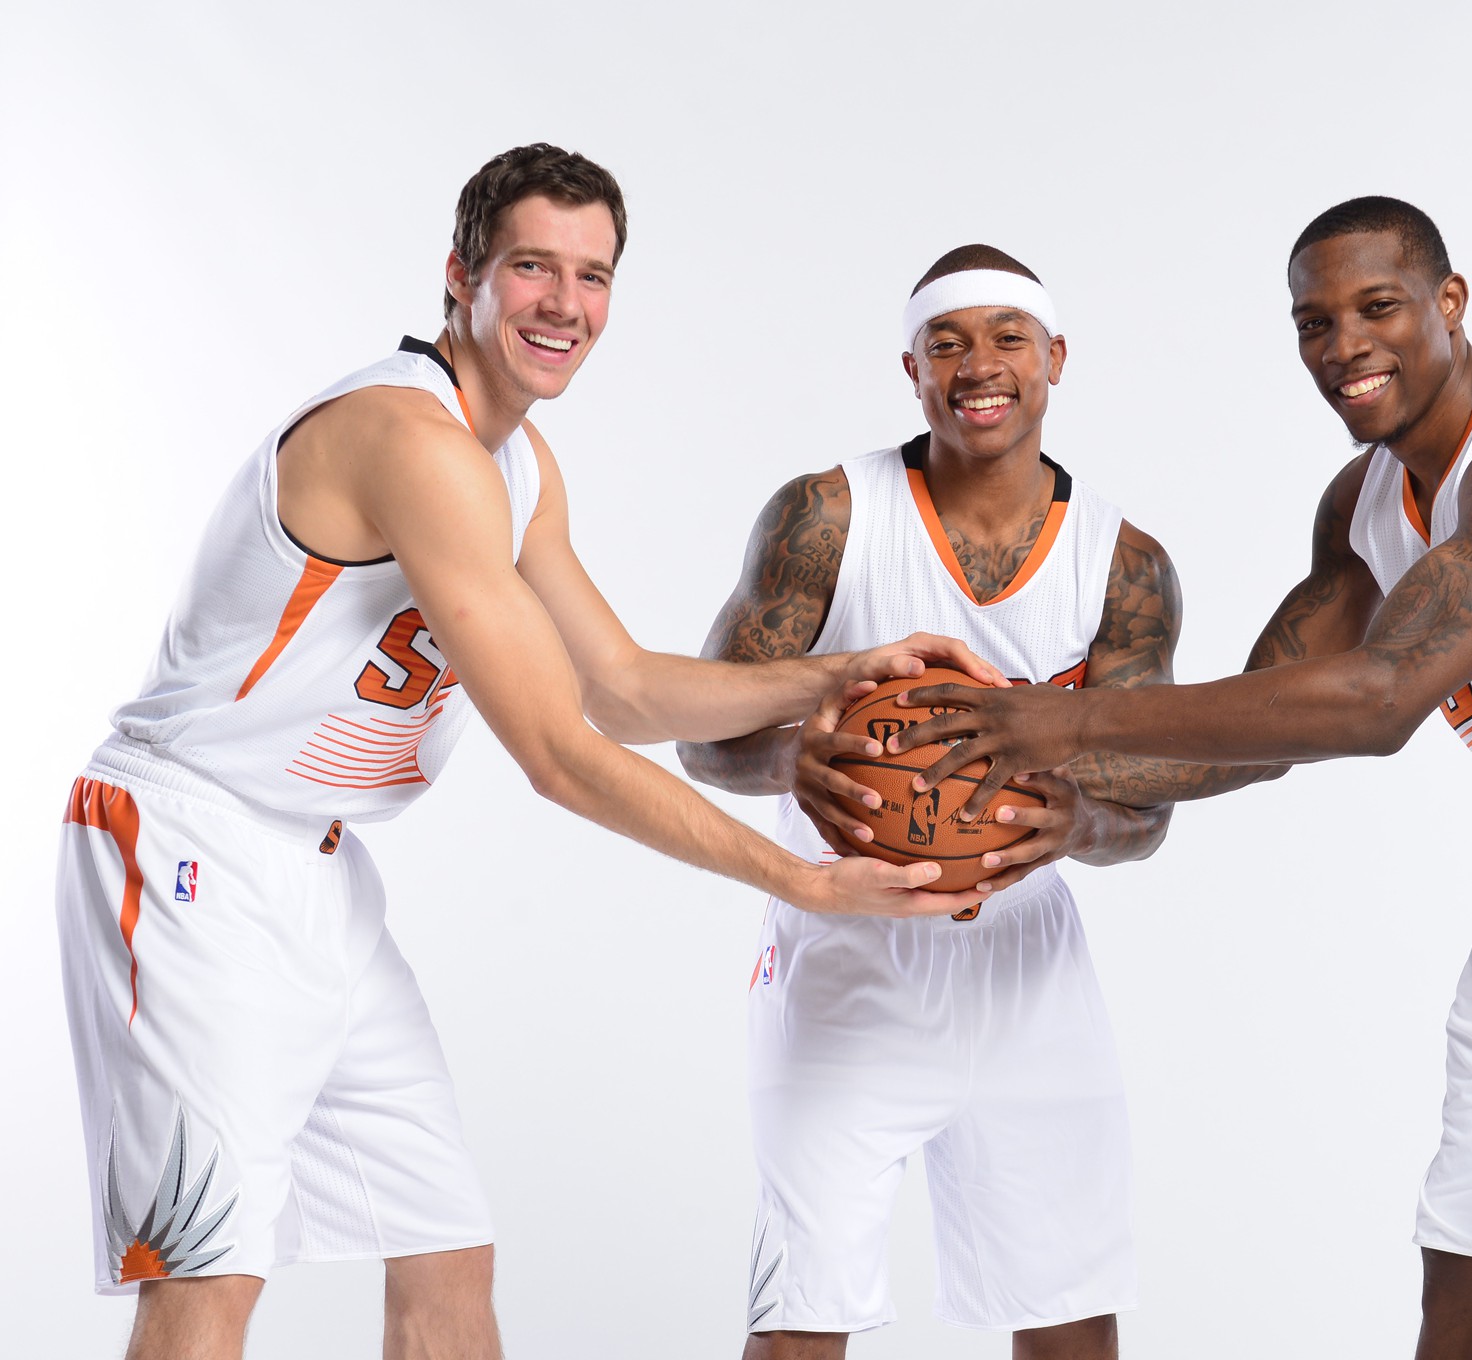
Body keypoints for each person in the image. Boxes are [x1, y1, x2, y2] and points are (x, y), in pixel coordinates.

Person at [54, 144, 996, 1360]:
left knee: (444, 1253)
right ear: (462, 276)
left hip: (317, 867)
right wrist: (806, 882)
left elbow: (621, 688)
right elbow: (555, 752)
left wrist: (838, 670)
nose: (565, 304)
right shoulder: (407, 437)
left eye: (592, 275)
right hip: (188, 846)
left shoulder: (516, 463)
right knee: (209, 1273)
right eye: (532, 267)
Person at [892, 198, 1472, 1359]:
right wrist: (1056, 800)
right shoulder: (1361, 506)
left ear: (1450, 302)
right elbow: (1261, 720)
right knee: (1471, 1247)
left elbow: (1380, 701)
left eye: (1375, 307)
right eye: (1312, 323)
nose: (1342, 346)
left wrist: (1062, 722)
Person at [678, 246, 1240, 1360]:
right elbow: (703, 734)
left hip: (1028, 970)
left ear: (1055, 358)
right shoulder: (825, 517)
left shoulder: (1123, 565)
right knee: (802, 1322)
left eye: (1006, 339)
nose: (978, 366)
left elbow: (1146, 811)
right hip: (845, 944)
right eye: (946, 344)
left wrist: (1080, 823)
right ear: (913, 370)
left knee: (1068, 1326)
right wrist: (792, 762)